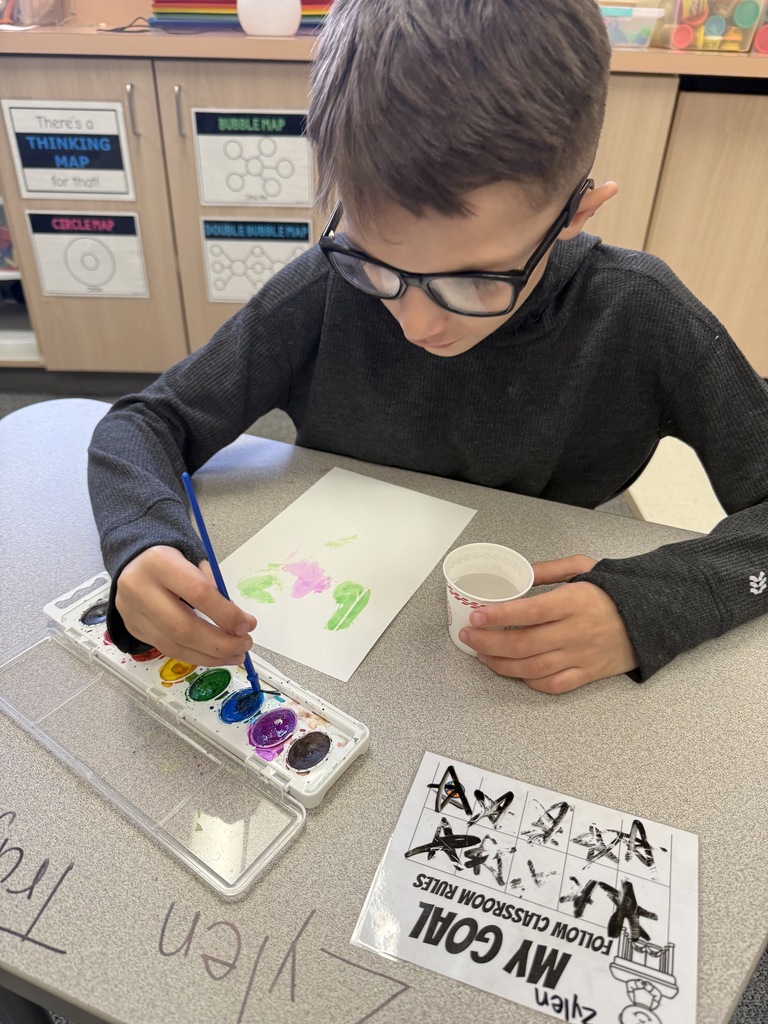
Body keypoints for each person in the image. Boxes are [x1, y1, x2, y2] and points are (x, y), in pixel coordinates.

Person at [88, 0, 768, 694]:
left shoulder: (640, 311)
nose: (414, 323)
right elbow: (143, 423)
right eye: (376, 262)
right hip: (346, 653)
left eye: (474, 281)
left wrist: (644, 604)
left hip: (514, 656)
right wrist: (143, 542)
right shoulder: (324, 287)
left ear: (577, 213)